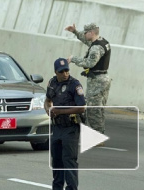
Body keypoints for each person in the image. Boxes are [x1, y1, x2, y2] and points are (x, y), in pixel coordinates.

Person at [44, 58, 86, 190]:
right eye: (62, 71)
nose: (65, 74)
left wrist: (60, 111)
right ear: (56, 72)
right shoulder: (52, 83)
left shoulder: (75, 84)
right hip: (56, 127)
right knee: (56, 161)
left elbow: (82, 107)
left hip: (70, 128)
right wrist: (48, 110)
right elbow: (47, 100)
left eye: (67, 70)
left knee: (69, 161)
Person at [65, 23, 111, 135]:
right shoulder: (102, 41)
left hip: (97, 81)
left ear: (91, 33)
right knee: (99, 108)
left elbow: (90, 63)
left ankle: (97, 135)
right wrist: (75, 32)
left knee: (93, 109)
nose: (84, 34)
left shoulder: (96, 48)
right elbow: (87, 41)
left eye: (86, 32)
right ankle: (99, 133)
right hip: (102, 79)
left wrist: (73, 59)